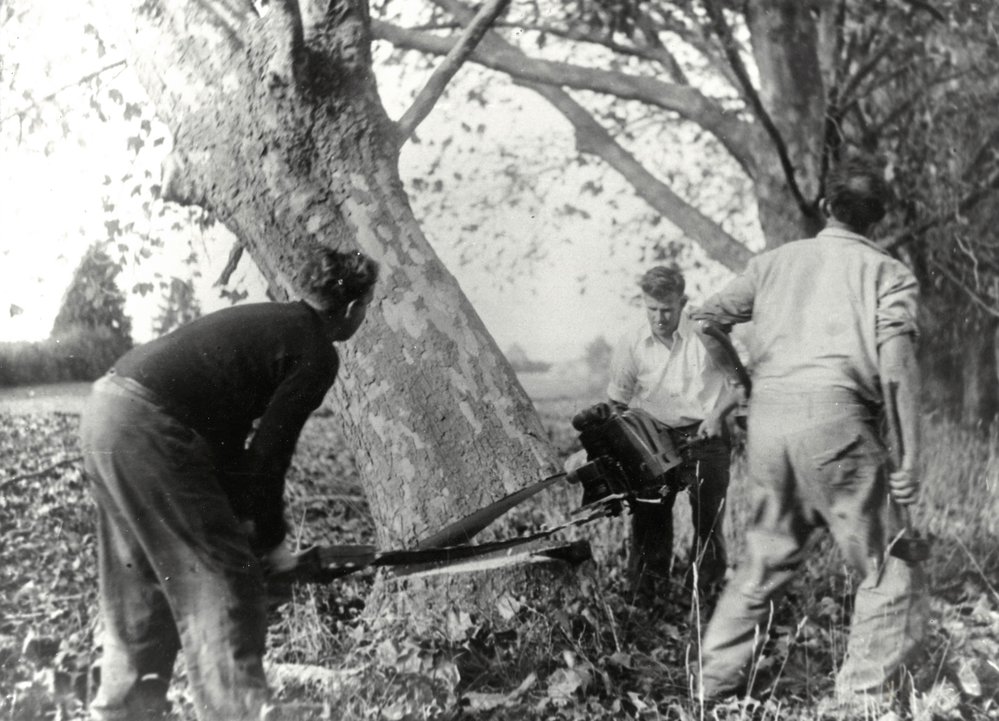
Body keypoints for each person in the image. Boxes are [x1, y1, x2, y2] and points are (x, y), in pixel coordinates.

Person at [80, 248, 379, 721]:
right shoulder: (317, 351)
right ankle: (236, 712)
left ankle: (121, 712)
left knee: (137, 579)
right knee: (224, 576)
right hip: (149, 429)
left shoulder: (270, 324)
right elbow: (269, 455)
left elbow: (228, 447)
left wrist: (244, 519)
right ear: (353, 310)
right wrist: (272, 542)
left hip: (105, 411)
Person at [690, 156, 928, 714]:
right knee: (889, 566)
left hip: (770, 427)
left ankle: (708, 688)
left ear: (825, 207)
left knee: (761, 563)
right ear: (880, 218)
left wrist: (742, 385)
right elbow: (896, 368)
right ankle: (859, 701)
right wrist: (911, 456)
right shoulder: (888, 273)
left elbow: (705, 320)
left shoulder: (774, 262)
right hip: (839, 425)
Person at [606, 266, 742, 599]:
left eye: (667, 309)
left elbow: (737, 383)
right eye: (652, 309)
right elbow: (616, 403)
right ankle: (647, 596)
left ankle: (706, 593)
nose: (660, 317)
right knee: (650, 517)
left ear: (682, 302)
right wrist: (629, 442)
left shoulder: (706, 333)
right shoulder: (632, 343)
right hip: (655, 439)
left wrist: (716, 416)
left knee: (709, 519)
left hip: (706, 436)